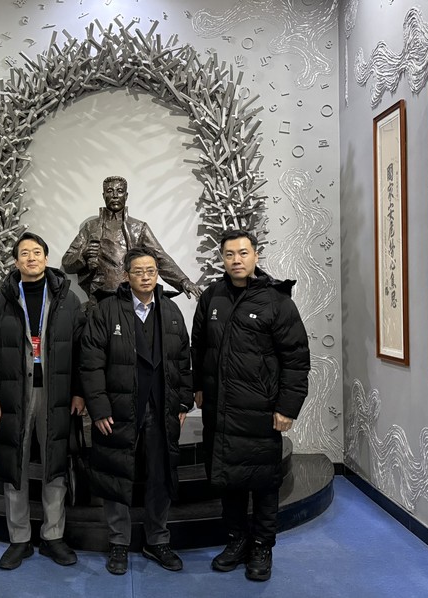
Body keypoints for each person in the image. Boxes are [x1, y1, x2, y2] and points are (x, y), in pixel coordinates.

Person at [191, 229, 310, 582]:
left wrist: (287, 407)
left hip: (261, 410)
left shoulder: (276, 301)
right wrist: (197, 386)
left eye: (243, 253)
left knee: (264, 482)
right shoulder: (212, 297)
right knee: (227, 480)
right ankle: (237, 540)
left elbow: (296, 359)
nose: (236, 260)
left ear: (256, 256)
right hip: (220, 410)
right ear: (222, 259)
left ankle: (261, 546)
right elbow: (199, 346)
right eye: (229, 254)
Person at [0, 232, 86, 570]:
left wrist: (79, 391)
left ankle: (53, 536)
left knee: (55, 465)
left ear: (46, 258)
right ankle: (19, 539)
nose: (31, 258)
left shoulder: (68, 300)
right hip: (13, 395)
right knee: (15, 466)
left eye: (37, 252)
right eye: (24, 253)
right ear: (16, 261)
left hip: (57, 394)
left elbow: (82, 351)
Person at [80, 247, 193, 575]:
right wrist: (98, 407)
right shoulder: (106, 310)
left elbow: (183, 360)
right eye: (139, 271)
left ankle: (157, 540)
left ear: (157, 274)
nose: (146, 277)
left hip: (161, 407)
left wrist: (183, 402)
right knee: (116, 474)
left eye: (151, 271)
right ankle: (118, 542)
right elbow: (90, 362)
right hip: (118, 409)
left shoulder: (170, 310)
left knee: (160, 474)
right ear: (126, 275)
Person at [62, 176, 201, 303]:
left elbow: (160, 256)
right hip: (100, 298)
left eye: (120, 191)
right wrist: (83, 255)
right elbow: (67, 263)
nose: (115, 195)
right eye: (110, 191)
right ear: (103, 195)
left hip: (131, 297)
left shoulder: (138, 228)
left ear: (126, 195)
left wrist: (183, 281)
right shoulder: (90, 227)